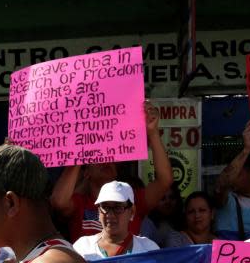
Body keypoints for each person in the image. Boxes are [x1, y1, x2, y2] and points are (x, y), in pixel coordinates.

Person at [51, 102, 173, 241]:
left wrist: (153, 132)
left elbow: (165, 180)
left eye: (110, 154)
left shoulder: (133, 200)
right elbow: (58, 202)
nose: (105, 160)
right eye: (97, 155)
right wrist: (80, 150)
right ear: (86, 172)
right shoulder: (79, 204)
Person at [73, 181, 159, 259]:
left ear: (132, 211)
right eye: (105, 207)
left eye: (118, 208)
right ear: (99, 211)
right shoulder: (82, 248)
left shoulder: (149, 249)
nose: (110, 215)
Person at [213, 120, 250, 240]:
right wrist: (246, 150)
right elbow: (222, 184)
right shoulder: (226, 200)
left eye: (238, 172)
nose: (232, 176)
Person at [141, 182, 183, 247]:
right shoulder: (149, 222)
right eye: (162, 198)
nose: (168, 202)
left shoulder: (184, 219)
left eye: (171, 197)